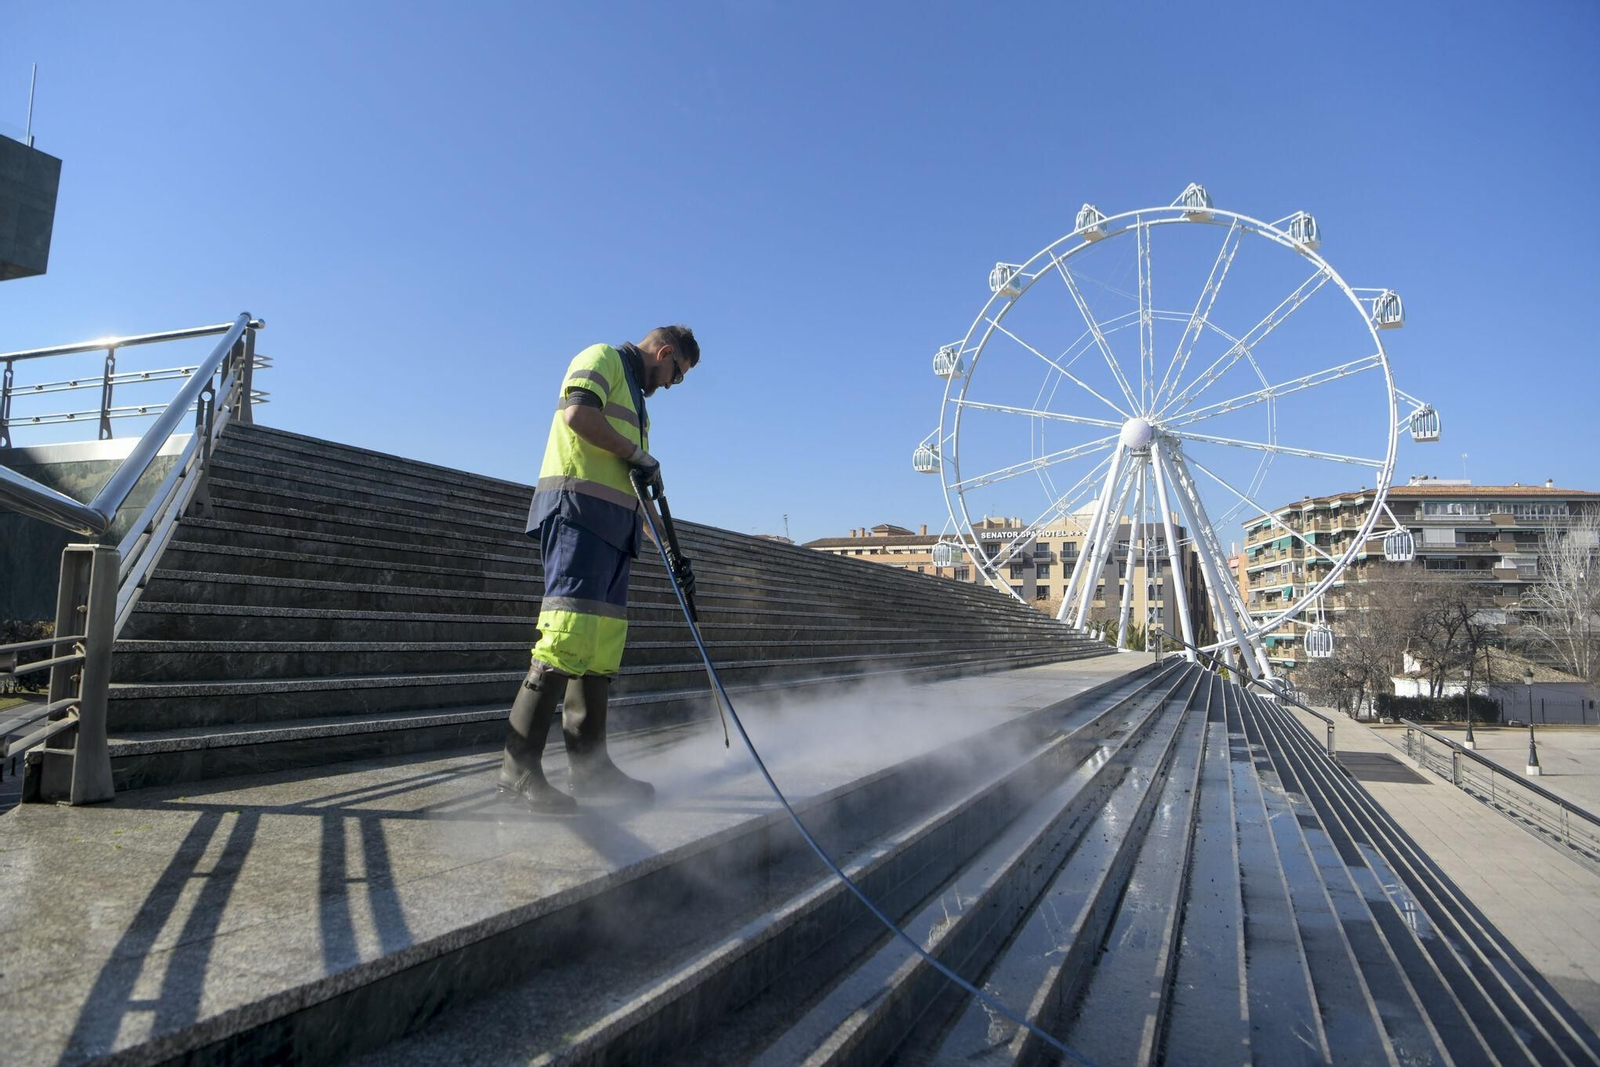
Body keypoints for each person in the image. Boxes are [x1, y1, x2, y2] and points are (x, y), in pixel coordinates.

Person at [497, 326, 700, 813]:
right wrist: (636, 453)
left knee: (601, 649)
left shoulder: (638, 400)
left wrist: (671, 550)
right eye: (678, 373)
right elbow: (578, 415)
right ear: (664, 352)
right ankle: (517, 769)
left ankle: (591, 770)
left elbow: (630, 483)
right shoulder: (602, 357)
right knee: (565, 637)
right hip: (577, 520)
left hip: (613, 532)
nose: (674, 384)